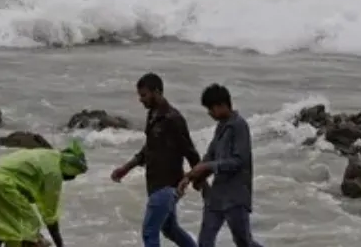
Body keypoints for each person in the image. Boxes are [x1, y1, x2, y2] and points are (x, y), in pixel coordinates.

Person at [111, 73, 203, 247]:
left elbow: (190, 151)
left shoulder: (173, 119)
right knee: (169, 228)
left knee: (149, 231)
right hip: (155, 185)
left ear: (158, 92)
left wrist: (199, 180)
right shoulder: (153, 115)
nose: (140, 99)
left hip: (167, 185)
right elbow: (149, 148)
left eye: (144, 95)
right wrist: (126, 168)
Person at [178, 84, 264, 247]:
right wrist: (190, 177)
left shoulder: (239, 126)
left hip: (236, 196)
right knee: (205, 242)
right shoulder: (221, 127)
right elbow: (210, 155)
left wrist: (208, 167)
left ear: (223, 105)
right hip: (217, 195)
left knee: (243, 241)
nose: (210, 113)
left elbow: (239, 161)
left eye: (212, 108)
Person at [0, 139, 88, 247]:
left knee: (2, 224)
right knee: (29, 224)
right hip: (3, 182)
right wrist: (60, 244)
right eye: (74, 174)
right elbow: (50, 215)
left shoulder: (49, 155)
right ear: (69, 168)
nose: (72, 178)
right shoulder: (54, 173)